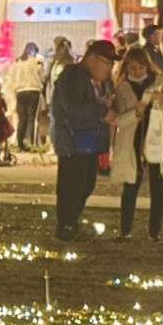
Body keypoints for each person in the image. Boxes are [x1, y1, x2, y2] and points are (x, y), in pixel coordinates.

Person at [108, 44, 163, 241]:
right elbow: (118, 120)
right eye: (133, 67)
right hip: (132, 141)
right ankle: (125, 230)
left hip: (158, 139)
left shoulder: (161, 82)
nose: (137, 71)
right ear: (126, 67)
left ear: (148, 66)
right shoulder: (122, 88)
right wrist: (136, 112)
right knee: (131, 185)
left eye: (141, 67)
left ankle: (155, 231)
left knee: (158, 185)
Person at [50, 40, 115, 241]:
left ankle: (70, 223)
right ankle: (66, 225)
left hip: (85, 143)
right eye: (107, 63)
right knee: (74, 184)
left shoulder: (87, 79)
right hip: (73, 141)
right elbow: (72, 108)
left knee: (86, 183)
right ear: (92, 58)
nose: (109, 69)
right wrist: (102, 111)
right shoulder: (73, 76)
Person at [8, 43, 46, 150]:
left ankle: (20, 144)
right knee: (32, 118)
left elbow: (11, 78)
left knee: (22, 119)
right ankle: (31, 143)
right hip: (34, 91)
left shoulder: (17, 62)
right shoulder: (36, 62)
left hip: (20, 92)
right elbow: (42, 77)